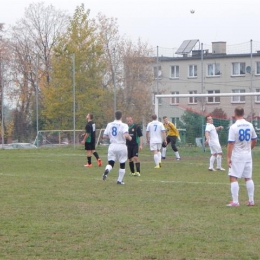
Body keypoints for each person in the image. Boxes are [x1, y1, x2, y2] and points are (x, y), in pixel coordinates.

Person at [226, 106, 257, 207]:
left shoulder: (233, 127)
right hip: (248, 155)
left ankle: (235, 201)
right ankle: (251, 200)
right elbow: (254, 140)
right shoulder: (250, 125)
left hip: (237, 155)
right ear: (243, 113)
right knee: (248, 177)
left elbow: (231, 144)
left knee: (233, 177)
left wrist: (228, 157)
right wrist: (249, 149)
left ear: (235, 113)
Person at [102, 110, 132, 185]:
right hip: (121, 145)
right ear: (121, 116)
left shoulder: (109, 124)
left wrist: (112, 137)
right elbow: (125, 135)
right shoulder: (124, 125)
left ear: (115, 116)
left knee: (111, 162)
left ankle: (107, 170)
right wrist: (129, 137)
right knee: (122, 163)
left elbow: (104, 136)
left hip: (112, 145)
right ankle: (119, 180)